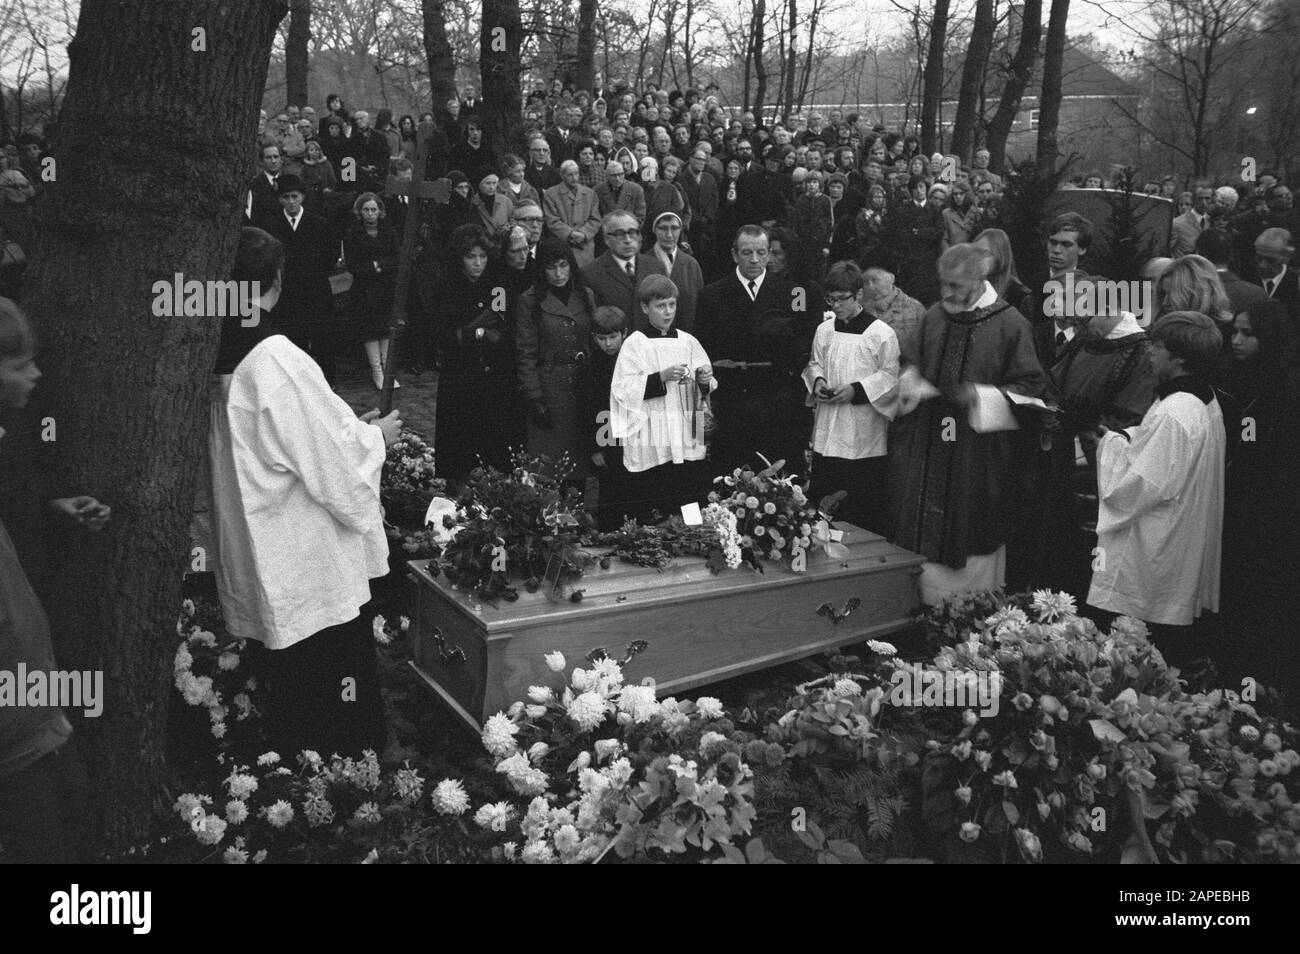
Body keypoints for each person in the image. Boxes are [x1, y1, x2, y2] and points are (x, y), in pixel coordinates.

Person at [208, 227, 399, 761]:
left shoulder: (214, 351)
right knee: (333, 679)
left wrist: (346, 430)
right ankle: (350, 774)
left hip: (260, 544)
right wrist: (375, 437)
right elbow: (335, 469)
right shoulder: (274, 359)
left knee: (289, 680)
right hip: (303, 555)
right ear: (274, 282)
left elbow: (297, 440)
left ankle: (294, 768)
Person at [0, 298, 112, 863]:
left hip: (29, 686)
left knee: (67, 801)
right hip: (14, 712)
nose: (36, 375)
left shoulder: (11, 431)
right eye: (21, 365)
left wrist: (52, 506)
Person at [889, 243, 1046, 606]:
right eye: (943, 284)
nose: (946, 293)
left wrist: (980, 396)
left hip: (977, 453)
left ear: (979, 279)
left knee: (971, 526)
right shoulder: (934, 316)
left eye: (956, 286)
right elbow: (910, 360)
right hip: (927, 441)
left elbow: (1031, 387)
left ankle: (968, 615)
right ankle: (915, 608)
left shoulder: (1011, 324)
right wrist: (912, 380)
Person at [1086, 312, 1225, 672]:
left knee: (1133, 649)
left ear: (1179, 357)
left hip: (1157, 540)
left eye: (1158, 346)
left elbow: (1143, 486)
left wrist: (1108, 445)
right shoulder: (1202, 400)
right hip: (1181, 530)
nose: (1149, 351)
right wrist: (1131, 438)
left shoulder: (1177, 410)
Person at [1216, 299, 1300, 691]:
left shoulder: (1281, 384)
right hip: (1242, 503)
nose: (1237, 340)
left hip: (1269, 509)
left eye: (1247, 334)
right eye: (1234, 331)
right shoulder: (1240, 377)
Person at [695, 226, 812, 474]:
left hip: (777, 400)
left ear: (770, 254)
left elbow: (802, 345)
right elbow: (703, 351)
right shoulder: (710, 296)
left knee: (779, 479)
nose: (755, 260)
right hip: (731, 401)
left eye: (761, 252)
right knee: (731, 476)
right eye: (747, 252)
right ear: (734, 254)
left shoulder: (794, 292)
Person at [802, 262, 900, 534]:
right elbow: (814, 363)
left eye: (841, 299)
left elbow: (891, 376)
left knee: (858, 505)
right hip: (829, 426)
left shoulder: (881, 333)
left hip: (863, 432)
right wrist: (818, 381)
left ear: (858, 295)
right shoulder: (825, 330)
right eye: (830, 299)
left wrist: (855, 390)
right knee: (824, 502)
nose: (835, 306)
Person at [611, 275, 716, 523]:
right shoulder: (635, 344)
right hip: (652, 430)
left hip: (684, 430)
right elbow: (622, 389)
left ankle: (691, 534)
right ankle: (655, 539)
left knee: (688, 492)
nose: (668, 312)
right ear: (645, 308)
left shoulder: (688, 341)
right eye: (660, 306)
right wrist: (660, 377)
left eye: (672, 305)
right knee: (655, 493)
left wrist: (704, 378)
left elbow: (706, 383)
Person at [433, 225, 521, 482]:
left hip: (493, 375)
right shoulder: (447, 286)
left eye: (482, 256)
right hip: (459, 376)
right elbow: (440, 331)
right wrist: (476, 335)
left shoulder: (497, 286)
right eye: (471, 257)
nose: (477, 263)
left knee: (494, 440)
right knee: (460, 441)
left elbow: (505, 324)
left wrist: (488, 334)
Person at [516, 237, 596, 480]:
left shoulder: (585, 294)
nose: (558, 273)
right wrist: (534, 397)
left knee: (580, 455)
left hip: (582, 382)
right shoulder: (529, 300)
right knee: (550, 461)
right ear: (542, 269)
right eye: (551, 267)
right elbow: (526, 352)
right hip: (551, 387)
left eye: (563, 265)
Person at [261, 174, 340, 383]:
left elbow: (331, 254)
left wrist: (314, 270)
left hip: (316, 289)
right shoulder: (272, 225)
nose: (291, 202)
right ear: (280, 199)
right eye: (286, 197)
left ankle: (327, 382)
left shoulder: (319, 223)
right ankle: (299, 384)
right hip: (288, 292)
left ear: (302, 197)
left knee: (323, 338)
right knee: (294, 340)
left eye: (295, 196)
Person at [343, 193, 401, 389]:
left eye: (373, 209)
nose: (370, 213)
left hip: (386, 287)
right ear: (360, 212)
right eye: (366, 209)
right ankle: (376, 370)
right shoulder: (353, 233)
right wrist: (373, 267)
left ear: (380, 211)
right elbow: (352, 263)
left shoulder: (389, 230)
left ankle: (387, 370)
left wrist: (379, 265)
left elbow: (396, 257)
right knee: (370, 331)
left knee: (386, 329)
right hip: (364, 289)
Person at [586, 306, 634, 530]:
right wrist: (595, 447)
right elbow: (587, 409)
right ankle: (608, 533)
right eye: (601, 338)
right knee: (609, 488)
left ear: (624, 333)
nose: (608, 344)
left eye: (613, 337)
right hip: (606, 435)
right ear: (594, 337)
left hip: (633, 433)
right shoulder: (590, 366)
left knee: (633, 486)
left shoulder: (633, 361)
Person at [582, 210, 666, 334]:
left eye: (632, 232)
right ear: (606, 239)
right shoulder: (591, 274)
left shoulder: (656, 267)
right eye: (620, 234)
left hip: (652, 344)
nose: (627, 239)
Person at [1034, 213, 1094, 367]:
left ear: (1082, 249)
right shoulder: (1030, 285)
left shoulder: (1093, 287)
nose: (1056, 250)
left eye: (1066, 244)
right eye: (1053, 242)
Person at [542, 160, 602, 268]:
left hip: (585, 246)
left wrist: (584, 234)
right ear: (562, 175)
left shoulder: (590, 193)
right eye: (570, 175)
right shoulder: (551, 194)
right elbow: (552, 220)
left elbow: (595, 219)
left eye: (576, 174)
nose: (574, 178)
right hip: (563, 245)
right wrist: (570, 233)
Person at [1170, 182, 1215, 257]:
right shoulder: (1177, 223)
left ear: (1212, 200)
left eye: (1207, 198)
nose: (1203, 202)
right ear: (1193, 200)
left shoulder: (1211, 222)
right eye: (1200, 199)